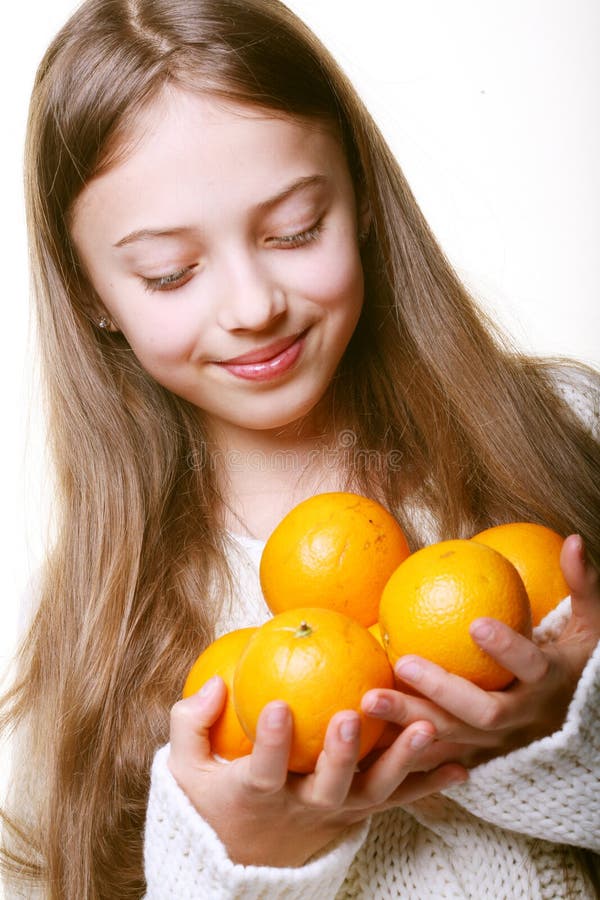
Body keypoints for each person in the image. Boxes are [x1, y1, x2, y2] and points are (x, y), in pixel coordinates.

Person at [2, 0, 599, 897]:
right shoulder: (100, 619)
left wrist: (569, 731)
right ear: (91, 294)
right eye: (170, 271)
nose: (252, 305)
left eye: (293, 231)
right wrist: (244, 858)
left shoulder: (554, 431)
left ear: (358, 195)